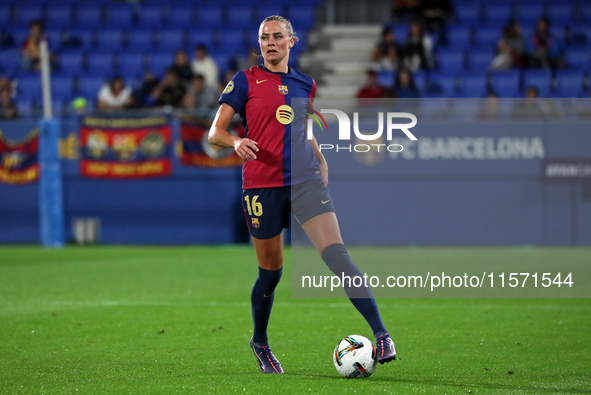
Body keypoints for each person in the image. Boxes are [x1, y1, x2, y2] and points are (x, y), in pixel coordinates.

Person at [208, 15, 396, 375]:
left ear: (292, 41)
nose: (271, 42)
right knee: (271, 274)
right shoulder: (245, 80)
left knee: (337, 256)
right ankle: (260, 342)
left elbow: (302, 125)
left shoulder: (304, 83)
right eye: (265, 37)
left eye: (278, 36)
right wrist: (235, 140)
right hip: (262, 184)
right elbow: (215, 132)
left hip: (304, 179)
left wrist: (320, 156)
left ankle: (382, 334)